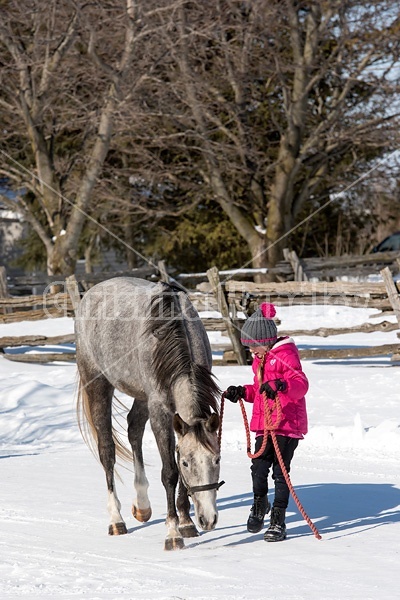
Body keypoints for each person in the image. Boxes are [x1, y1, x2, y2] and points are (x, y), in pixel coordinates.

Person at [224, 302, 308, 542]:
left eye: (253, 347)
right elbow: (260, 391)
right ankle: (260, 503)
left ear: (267, 341)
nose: (251, 352)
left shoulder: (286, 356)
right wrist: (242, 392)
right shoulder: (260, 360)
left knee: (280, 472)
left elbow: (301, 384)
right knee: (258, 468)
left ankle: (278, 520)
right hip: (264, 423)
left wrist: (282, 385)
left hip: (286, 423)